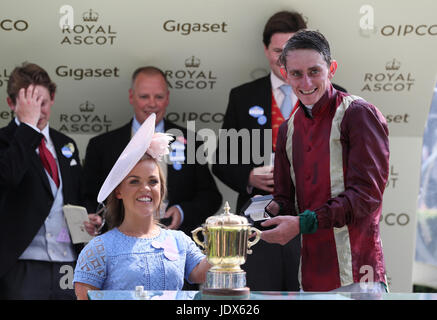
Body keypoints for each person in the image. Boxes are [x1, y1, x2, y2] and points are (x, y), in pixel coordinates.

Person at [261, 30, 390, 292]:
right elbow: (286, 199)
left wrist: (303, 223)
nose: (306, 82)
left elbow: (366, 197)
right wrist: (266, 212)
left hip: (359, 274)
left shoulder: (358, 113)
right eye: (296, 73)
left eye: (314, 71)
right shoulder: (289, 129)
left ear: (331, 69)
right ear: (285, 74)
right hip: (310, 276)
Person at [212, 11, 309, 291]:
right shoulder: (244, 97)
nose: (283, 59)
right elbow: (222, 161)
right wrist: (249, 176)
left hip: (312, 221)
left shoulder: (329, 94)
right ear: (265, 49)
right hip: (259, 224)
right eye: (277, 51)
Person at [74, 114, 211, 299]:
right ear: (118, 192)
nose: (145, 189)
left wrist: (229, 242)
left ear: (162, 190)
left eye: (153, 181)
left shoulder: (180, 240)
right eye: (134, 181)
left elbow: (202, 272)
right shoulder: (98, 249)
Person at [82, 66, 222, 237]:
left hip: (175, 242)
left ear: (168, 98)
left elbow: (210, 197)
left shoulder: (191, 141)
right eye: (144, 96)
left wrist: (182, 211)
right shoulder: (102, 145)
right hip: (120, 241)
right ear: (131, 96)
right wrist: (97, 217)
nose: (152, 103)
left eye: (159, 97)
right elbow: (89, 197)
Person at [0, 63, 85, 299]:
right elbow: (8, 176)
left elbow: (76, 195)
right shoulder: (3, 142)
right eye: (30, 103)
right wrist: (27, 127)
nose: (38, 111)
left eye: (43, 102)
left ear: (53, 98)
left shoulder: (66, 143)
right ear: (11, 103)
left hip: (68, 262)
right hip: (21, 265)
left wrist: (90, 220)